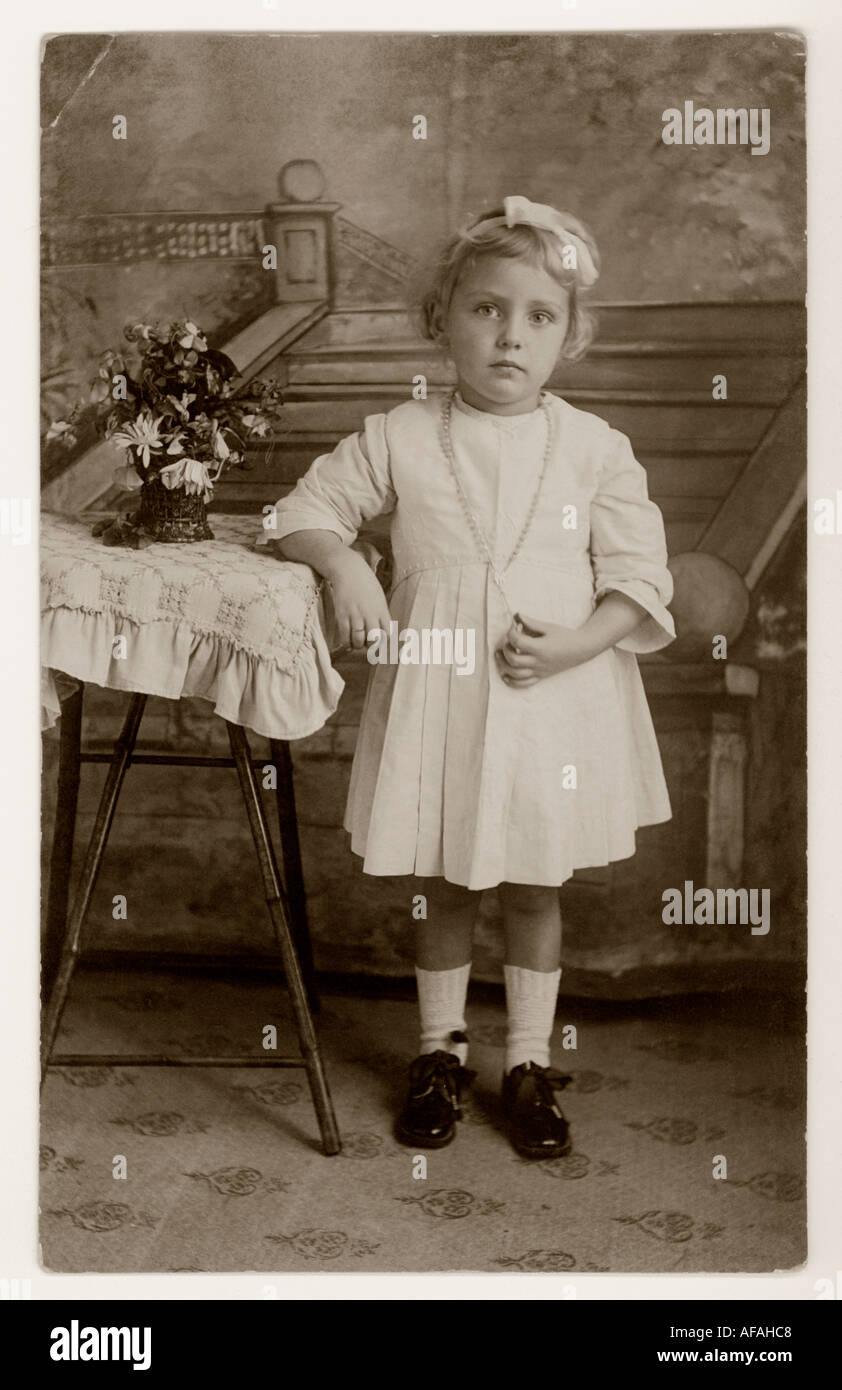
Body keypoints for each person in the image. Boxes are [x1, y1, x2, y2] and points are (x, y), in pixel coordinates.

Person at [262, 195, 676, 1159]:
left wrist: (576, 643)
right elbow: (302, 510)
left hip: (549, 699)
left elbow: (640, 580)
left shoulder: (593, 448)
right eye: (487, 309)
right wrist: (350, 562)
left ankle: (528, 1061)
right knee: (444, 884)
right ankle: (438, 1053)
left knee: (533, 882)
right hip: (442, 694)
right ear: (444, 316)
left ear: (570, 337)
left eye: (540, 317)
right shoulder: (401, 434)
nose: (509, 336)